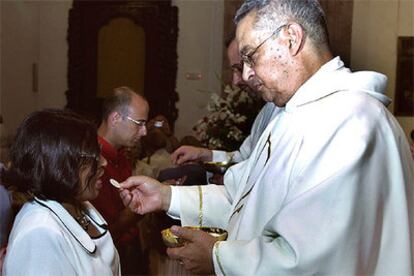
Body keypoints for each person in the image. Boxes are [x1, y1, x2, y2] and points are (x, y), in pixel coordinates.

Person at [119, 0, 414, 275]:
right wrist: (166, 196)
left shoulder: (349, 122)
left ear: (291, 39)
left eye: (251, 55)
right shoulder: (292, 114)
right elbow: (243, 195)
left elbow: (313, 260)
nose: (245, 74)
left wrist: (217, 258)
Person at [2, 109, 120, 275]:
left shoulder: (79, 206)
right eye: (93, 156)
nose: (104, 162)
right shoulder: (39, 233)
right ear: (58, 164)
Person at [171, 34, 278, 170]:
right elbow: (244, 159)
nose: (236, 81)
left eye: (239, 68)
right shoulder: (267, 109)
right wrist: (205, 155)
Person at [90, 86, 149, 275]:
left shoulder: (120, 153)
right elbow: (105, 229)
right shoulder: (91, 160)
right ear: (115, 118)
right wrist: (144, 205)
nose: (144, 132)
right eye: (139, 123)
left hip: (129, 247)